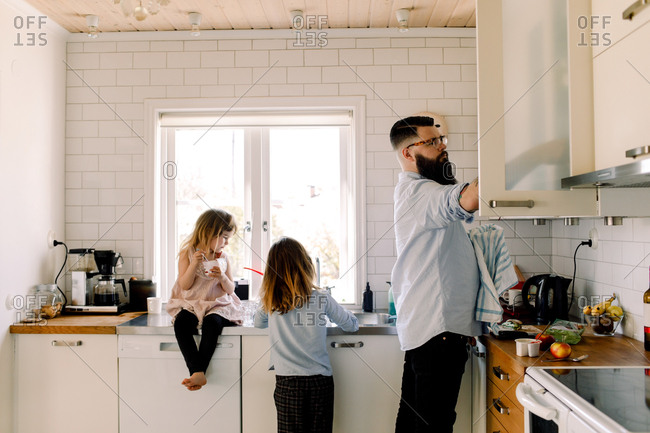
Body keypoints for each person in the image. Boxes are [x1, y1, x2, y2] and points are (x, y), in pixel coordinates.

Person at [389, 115, 480, 433]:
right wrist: (501, 159)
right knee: (434, 425)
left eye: (442, 140)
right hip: (437, 333)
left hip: (429, 329)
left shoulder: (417, 192)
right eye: (432, 142)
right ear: (408, 153)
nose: (442, 146)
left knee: (414, 421)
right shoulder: (421, 194)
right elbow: (467, 199)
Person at [254, 237, 359, 433]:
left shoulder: (271, 300)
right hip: (320, 381)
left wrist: (269, 300)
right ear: (306, 266)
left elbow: (258, 323)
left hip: (287, 382)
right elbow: (351, 326)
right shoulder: (321, 298)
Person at [166, 208, 243, 391]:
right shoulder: (188, 253)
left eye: (228, 238)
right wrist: (194, 264)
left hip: (217, 305)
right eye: (224, 237)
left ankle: (199, 371)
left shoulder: (223, 258)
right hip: (191, 303)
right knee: (181, 324)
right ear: (209, 232)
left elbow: (231, 289)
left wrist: (222, 277)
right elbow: (185, 285)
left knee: (212, 324)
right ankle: (197, 370)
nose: (226, 242)